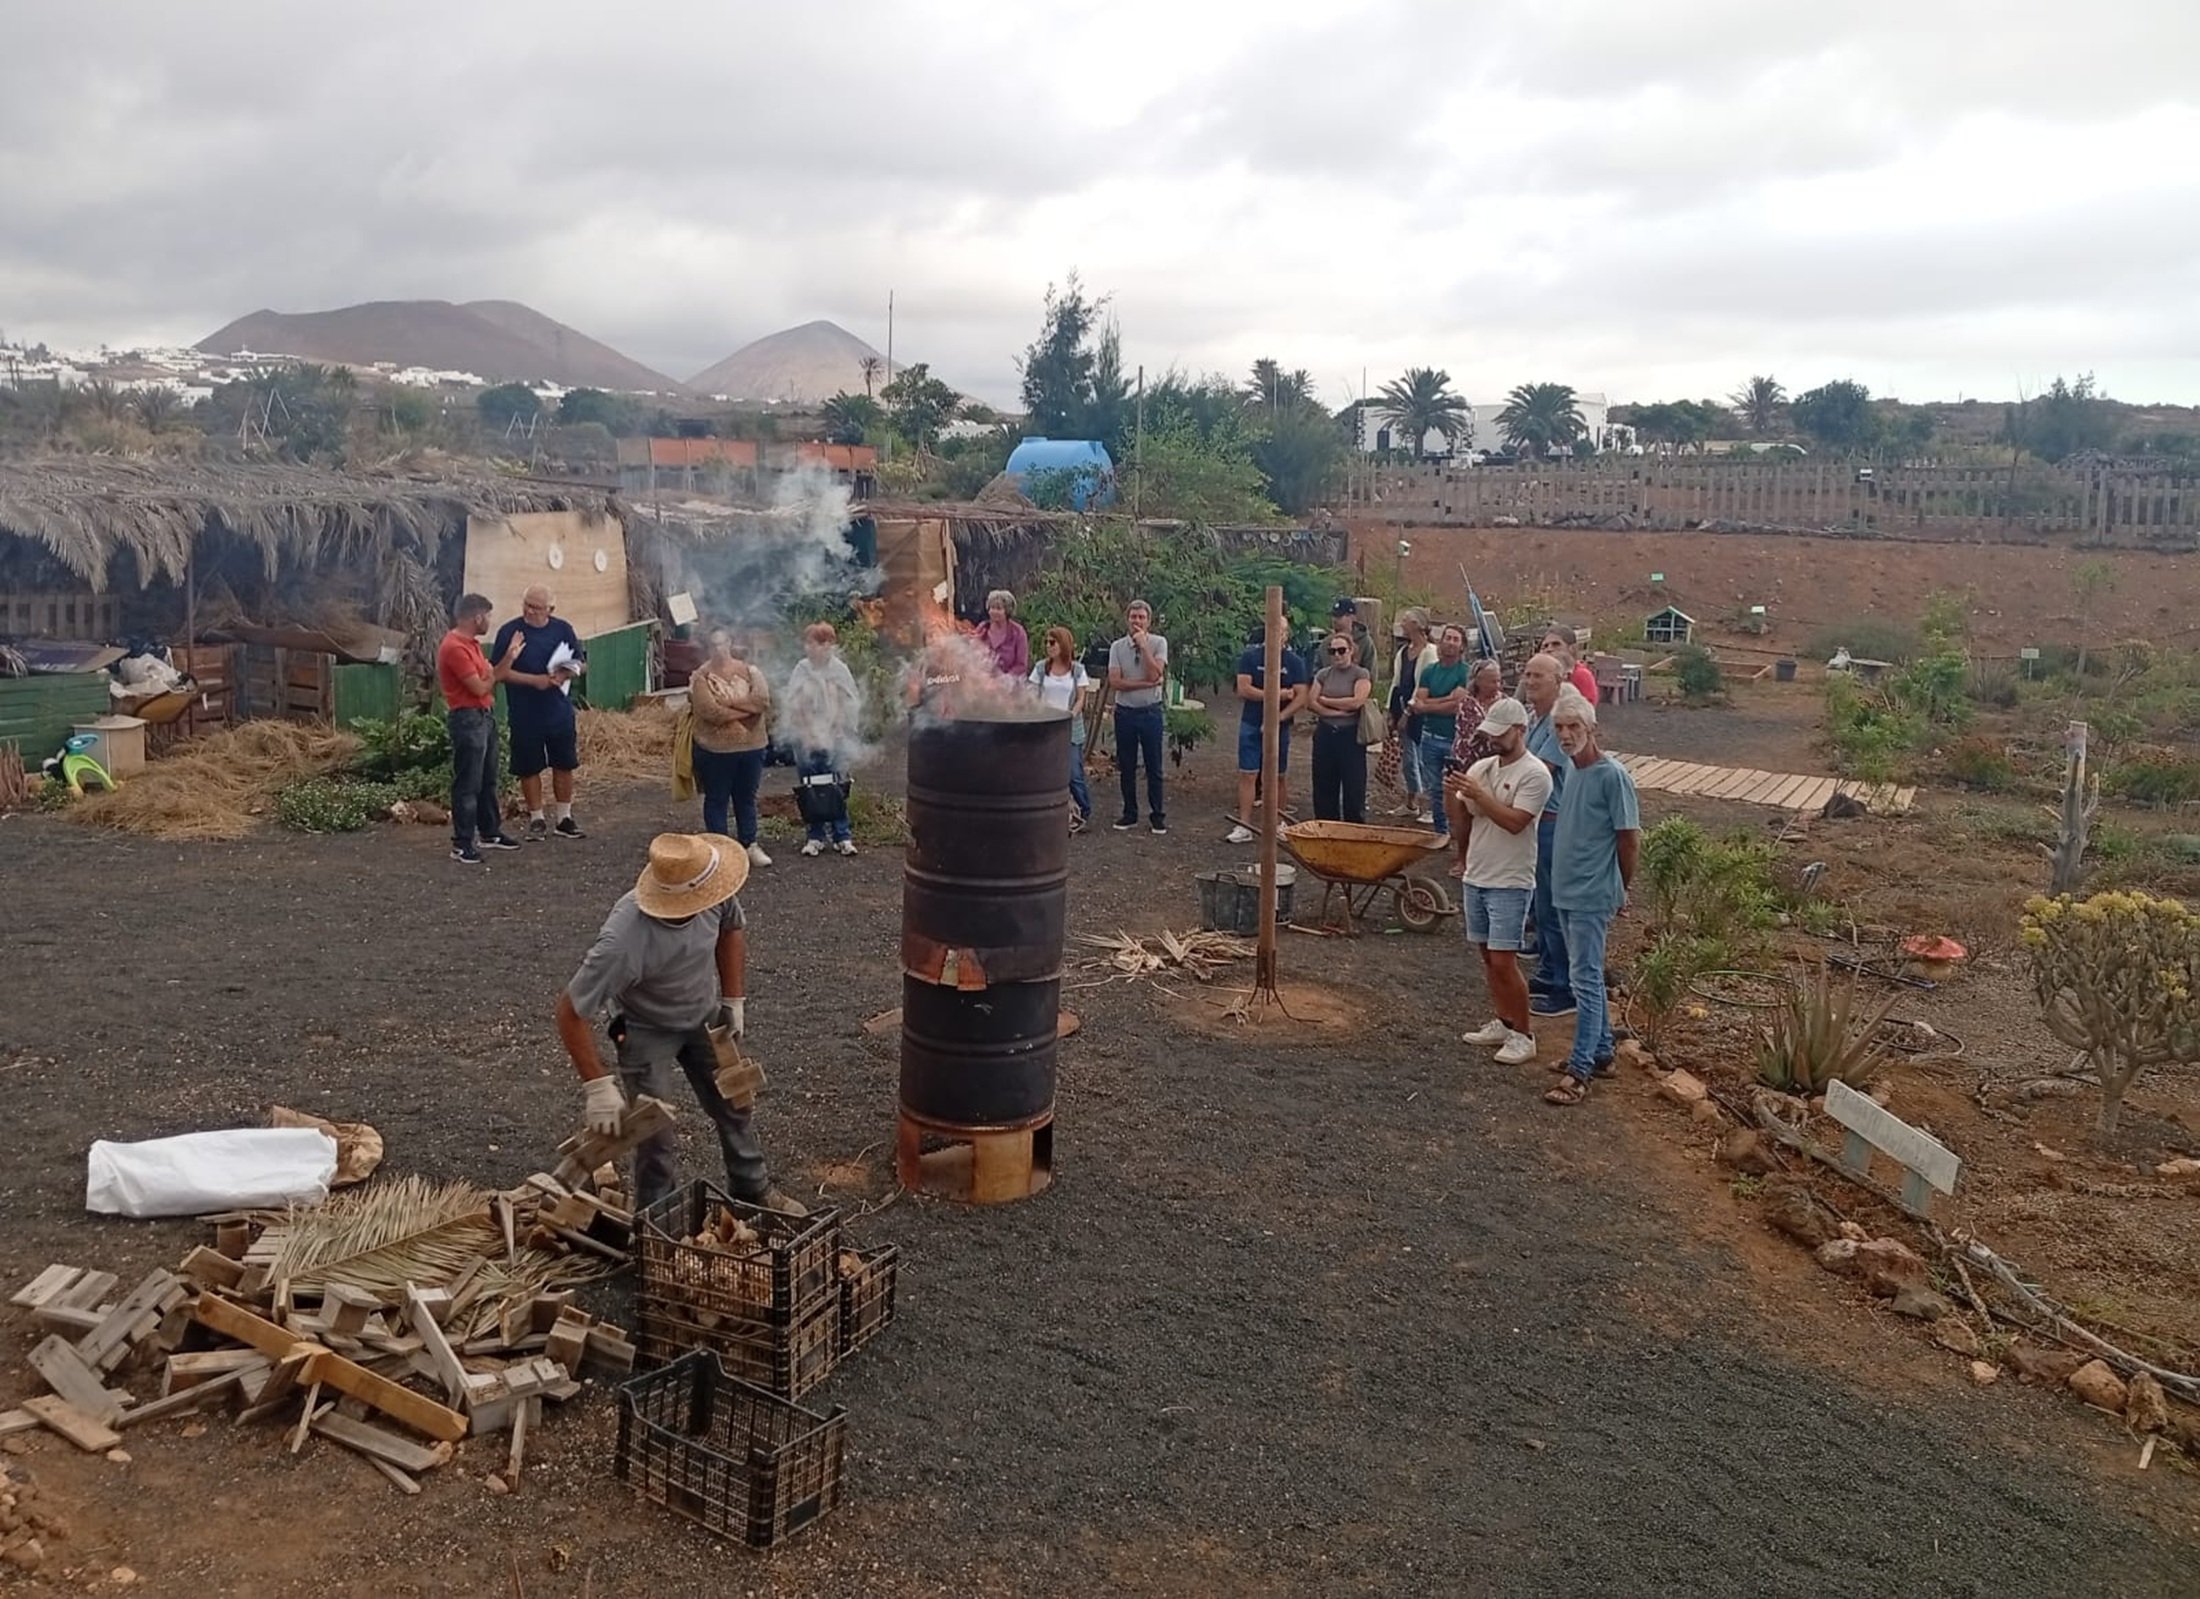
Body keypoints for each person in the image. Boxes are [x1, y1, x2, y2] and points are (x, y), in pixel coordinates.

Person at [555, 832, 801, 1214]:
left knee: (735, 1100)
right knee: (654, 1132)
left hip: (701, 1014)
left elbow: (731, 929)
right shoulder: (623, 941)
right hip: (643, 1027)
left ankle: (751, 1190)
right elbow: (570, 1012)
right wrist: (598, 1086)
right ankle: (658, 1217)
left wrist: (733, 1000)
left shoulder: (710, 887)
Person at [1542, 687, 1641, 1107]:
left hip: (1591, 893)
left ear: (1592, 728)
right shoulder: (1571, 770)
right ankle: (1601, 1053)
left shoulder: (1612, 776)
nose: (1566, 735)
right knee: (1589, 975)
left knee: (1583, 980)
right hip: (1565, 890)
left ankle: (1580, 1071)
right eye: (1560, 727)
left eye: (1574, 726)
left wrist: (1621, 888)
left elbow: (1628, 838)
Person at [1449, 697, 1553, 1066]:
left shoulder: (1535, 774)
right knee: (1487, 957)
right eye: (1489, 733)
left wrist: (1478, 795)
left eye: (1500, 733)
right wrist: (1456, 797)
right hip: (1478, 871)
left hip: (1510, 878)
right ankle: (1505, 1019)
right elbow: (1466, 816)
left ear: (1520, 730)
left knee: (1504, 959)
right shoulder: (1482, 767)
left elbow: (1516, 822)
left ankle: (1524, 1033)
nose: (1492, 740)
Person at [491, 585, 585, 841]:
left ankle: (564, 817)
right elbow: (498, 672)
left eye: (536, 607)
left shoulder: (562, 629)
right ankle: (536, 818)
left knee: (564, 762)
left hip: (558, 708)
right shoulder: (510, 631)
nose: (529, 611)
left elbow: (581, 662)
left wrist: (565, 672)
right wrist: (535, 681)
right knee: (528, 766)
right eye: (526, 605)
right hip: (524, 711)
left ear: (550, 610)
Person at [436, 592, 520, 865]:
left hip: (483, 715)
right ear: (477, 616)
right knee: (468, 782)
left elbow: (491, 675)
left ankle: (489, 831)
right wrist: (496, 668)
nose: (490, 623)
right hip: (467, 718)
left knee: (488, 778)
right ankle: (462, 843)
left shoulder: (471, 644)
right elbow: (481, 685)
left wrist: (506, 660)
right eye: (488, 616)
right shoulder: (455, 648)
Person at [1520, 652, 1575, 1020]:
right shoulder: (1536, 719)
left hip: (1554, 820)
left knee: (1555, 905)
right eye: (1527, 674)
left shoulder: (1560, 722)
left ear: (1558, 680)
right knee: (1542, 902)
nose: (1530, 680)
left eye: (1538, 675)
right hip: (1539, 819)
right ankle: (1549, 970)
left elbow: (1540, 769)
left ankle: (1565, 986)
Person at [689, 628, 773, 868]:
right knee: (717, 798)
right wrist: (747, 710)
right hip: (716, 750)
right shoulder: (701, 678)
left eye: (722, 643)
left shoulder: (750, 671)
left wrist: (729, 703)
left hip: (752, 747)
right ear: (708, 648)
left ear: (730, 643)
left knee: (746, 797)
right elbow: (710, 712)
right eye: (714, 644)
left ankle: (749, 844)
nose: (719, 649)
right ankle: (720, 850)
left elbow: (762, 701)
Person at [783, 622, 862, 857]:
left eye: (817, 643)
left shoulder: (839, 670)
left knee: (837, 785)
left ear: (829, 645)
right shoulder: (802, 669)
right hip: (807, 737)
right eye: (809, 643)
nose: (811, 648)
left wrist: (838, 729)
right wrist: (807, 733)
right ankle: (814, 836)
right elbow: (795, 704)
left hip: (835, 737)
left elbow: (849, 701)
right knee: (811, 786)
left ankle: (842, 835)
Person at [1227, 622, 1308, 844]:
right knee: (1248, 773)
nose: (1277, 635)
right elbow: (1244, 688)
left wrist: (1278, 717)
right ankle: (1244, 825)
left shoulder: (1294, 662)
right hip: (1251, 723)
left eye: (1281, 631)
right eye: (1273, 630)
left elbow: (1301, 696)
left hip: (1280, 726)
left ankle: (1279, 823)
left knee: (1278, 775)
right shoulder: (1251, 658)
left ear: (1286, 635)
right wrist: (1278, 694)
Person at [1108, 599, 1169, 835]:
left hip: (1150, 712)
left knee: (1154, 766)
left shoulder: (1158, 643)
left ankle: (1157, 815)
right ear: (1127, 619)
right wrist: (1146, 683)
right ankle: (1130, 813)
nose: (1137, 621)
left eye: (1141, 617)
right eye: (1133, 617)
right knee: (1127, 765)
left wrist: (1144, 647)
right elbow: (1116, 682)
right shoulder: (1117, 647)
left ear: (1148, 621)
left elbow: (1156, 672)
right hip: (1125, 713)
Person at [1406, 624, 1472, 836]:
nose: (1451, 642)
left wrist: (1428, 706)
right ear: (1441, 641)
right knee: (1435, 788)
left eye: (1456, 639)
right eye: (1448, 638)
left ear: (1462, 646)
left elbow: (1457, 706)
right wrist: (1444, 700)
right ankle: (1441, 832)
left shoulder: (1465, 672)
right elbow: (1419, 701)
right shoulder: (1429, 671)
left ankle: (1459, 832)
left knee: (1456, 789)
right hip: (1430, 737)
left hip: (1454, 740)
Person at [1442, 659, 1506, 875]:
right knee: (1462, 814)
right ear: (1478, 681)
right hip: (1465, 765)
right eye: (1491, 681)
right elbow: (1475, 735)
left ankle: (1486, 860)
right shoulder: (1467, 704)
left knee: (1490, 814)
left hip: (1494, 767)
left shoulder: (1504, 702)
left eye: (1498, 680)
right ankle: (1463, 859)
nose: (1496, 685)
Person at [1028, 626, 1092, 832]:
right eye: (1046, 642)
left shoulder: (1077, 670)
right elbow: (1031, 693)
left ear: (1063, 644)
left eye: (1052, 642)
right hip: (1045, 727)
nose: (1048, 646)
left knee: (1073, 773)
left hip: (1070, 727)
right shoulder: (1040, 668)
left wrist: (1071, 714)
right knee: (1043, 771)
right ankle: (1045, 811)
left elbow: (1082, 697)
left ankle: (1084, 811)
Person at [1308, 627, 1373, 822]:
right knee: (1323, 782)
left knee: (1354, 785)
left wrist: (1326, 700)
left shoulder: (1361, 673)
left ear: (1351, 650)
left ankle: (1354, 828)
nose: (1337, 655)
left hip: (1350, 735)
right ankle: (1326, 824)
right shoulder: (1323, 674)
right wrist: (1335, 711)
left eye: (1341, 650)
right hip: (1326, 733)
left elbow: (1357, 701)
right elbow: (1311, 702)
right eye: (1332, 651)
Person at [1387, 610, 1440, 818]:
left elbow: (1422, 686)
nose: (1402, 623)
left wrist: (1408, 712)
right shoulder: (1403, 652)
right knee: (1409, 758)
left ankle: (1427, 805)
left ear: (1417, 625)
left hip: (1420, 712)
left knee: (1423, 759)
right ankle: (1411, 802)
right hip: (1403, 707)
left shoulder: (1429, 652)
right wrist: (1390, 710)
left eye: (1406, 620)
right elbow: (1397, 682)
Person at [1543, 627, 1602, 708]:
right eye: (1545, 646)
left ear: (1572, 648)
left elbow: (1587, 711)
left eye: (1556, 644)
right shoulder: (1541, 674)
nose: (1549, 649)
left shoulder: (1581, 674)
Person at [980, 589, 1030, 678]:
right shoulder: (982, 629)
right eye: (992, 608)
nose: (994, 611)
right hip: (983, 684)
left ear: (1007, 611)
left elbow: (1021, 665)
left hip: (1011, 686)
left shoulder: (1018, 632)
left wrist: (1003, 680)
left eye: (998, 608)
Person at [1332, 597, 1376, 672]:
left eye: (1339, 616)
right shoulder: (1326, 643)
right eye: (1333, 615)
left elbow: (1371, 673)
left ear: (1352, 617)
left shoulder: (1365, 643)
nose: (1334, 619)